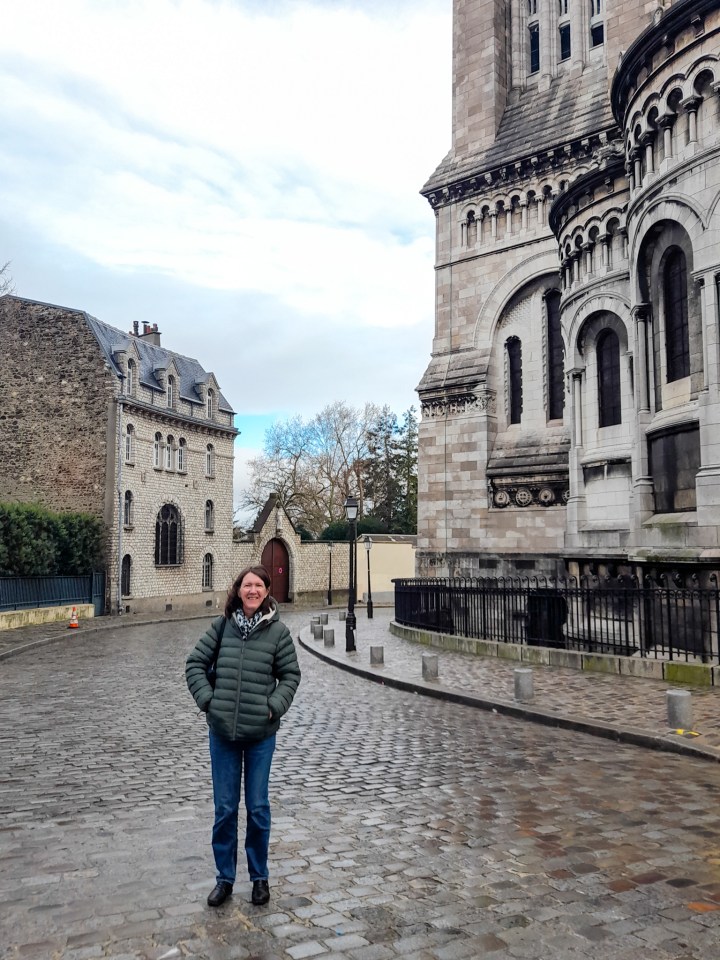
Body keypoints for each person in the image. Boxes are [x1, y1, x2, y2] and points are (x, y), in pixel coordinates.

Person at [186, 565, 301, 908]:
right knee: (224, 809)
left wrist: (273, 707)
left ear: (266, 591)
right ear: (238, 590)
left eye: (258, 585)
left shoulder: (278, 633)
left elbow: (290, 675)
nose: (252, 590)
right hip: (223, 734)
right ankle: (224, 879)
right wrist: (209, 702)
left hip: (260, 735)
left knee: (257, 808)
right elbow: (194, 664)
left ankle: (259, 878)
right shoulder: (222, 627)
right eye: (247, 585)